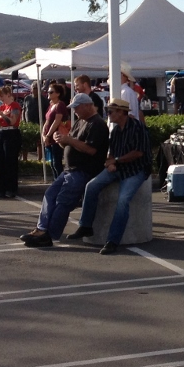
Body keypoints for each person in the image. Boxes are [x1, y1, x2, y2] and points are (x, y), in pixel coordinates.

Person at [20, 93, 110, 247]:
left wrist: (69, 140)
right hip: (70, 169)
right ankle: (41, 229)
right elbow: (71, 142)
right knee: (50, 194)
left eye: (77, 107)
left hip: (83, 170)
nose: (75, 111)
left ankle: (50, 235)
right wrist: (62, 140)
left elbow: (91, 150)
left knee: (64, 201)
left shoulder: (97, 124)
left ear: (87, 106)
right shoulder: (80, 121)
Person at [64, 97, 151, 254]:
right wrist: (110, 162)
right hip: (118, 167)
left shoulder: (138, 127)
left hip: (135, 170)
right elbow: (112, 152)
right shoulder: (116, 130)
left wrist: (115, 161)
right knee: (91, 186)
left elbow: (138, 153)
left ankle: (112, 240)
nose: (108, 114)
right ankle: (85, 226)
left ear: (121, 112)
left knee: (123, 200)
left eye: (110, 111)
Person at [0, 84, 23, 199]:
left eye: (2, 96)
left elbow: (12, 121)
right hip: (2, 133)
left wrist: (0, 113)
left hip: (12, 133)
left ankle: (11, 189)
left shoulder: (15, 106)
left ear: (8, 95)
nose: (0, 99)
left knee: (10, 162)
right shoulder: (2, 107)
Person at [41, 83, 70, 175]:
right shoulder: (51, 105)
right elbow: (47, 121)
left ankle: (60, 180)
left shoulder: (60, 105)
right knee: (52, 162)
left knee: (56, 162)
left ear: (58, 94)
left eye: (51, 92)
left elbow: (57, 121)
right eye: (48, 92)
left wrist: (48, 135)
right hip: (48, 137)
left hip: (56, 137)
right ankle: (55, 180)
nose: (48, 93)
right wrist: (43, 135)